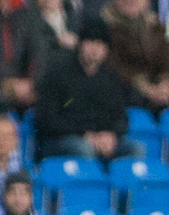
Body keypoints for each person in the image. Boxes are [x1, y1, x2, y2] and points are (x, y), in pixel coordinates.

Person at [34, 17, 132, 159]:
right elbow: (47, 119)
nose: (95, 49)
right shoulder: (59, 74)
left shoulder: (111, 78)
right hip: (61, 140)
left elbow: (121, 117)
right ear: (80, 44)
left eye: (100, 44)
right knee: (83, 149)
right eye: (90, 42)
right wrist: (85, 135)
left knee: (135, 149)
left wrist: (111, 134)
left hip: (101, 140)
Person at [103, 0, 169, 111]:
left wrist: (165, 83)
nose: (130, 0)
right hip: (127, 88)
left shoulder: (156, 27)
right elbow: (113, 65)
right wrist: (144, 87)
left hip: (156, 86)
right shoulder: (106, 28)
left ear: (146, 0)